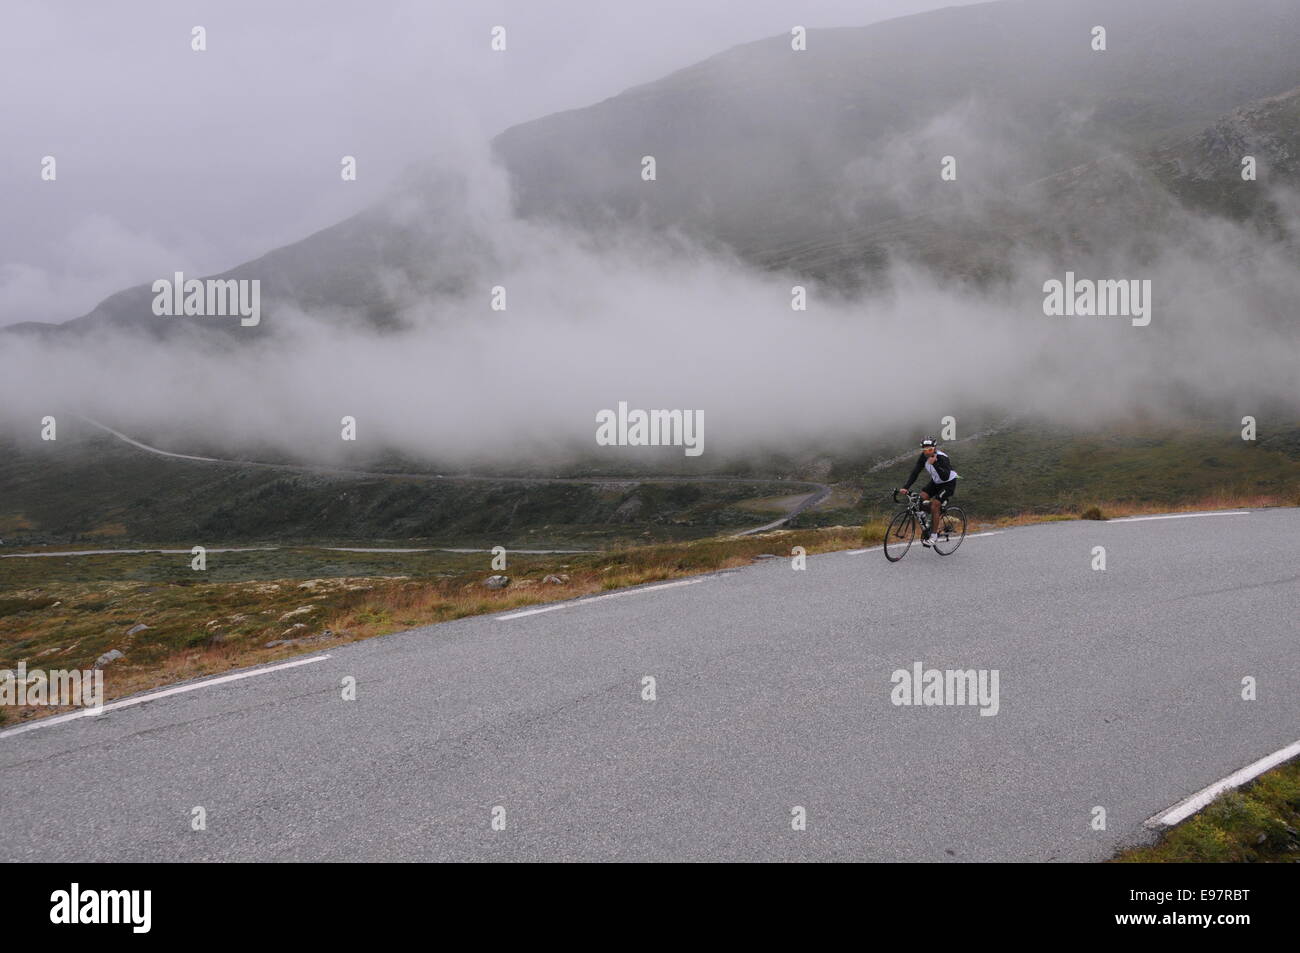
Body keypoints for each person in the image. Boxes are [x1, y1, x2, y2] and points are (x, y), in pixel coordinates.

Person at [898, 438, 959, 547]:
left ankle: (934, 536)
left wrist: (934, 463)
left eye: (930, 450)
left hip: (948, 483)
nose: (927, 452)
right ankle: (928, 519)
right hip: (936, 482)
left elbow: (945, 477)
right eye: (925, 450)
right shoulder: (923, 457)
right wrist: (906, 487)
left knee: (935, 505)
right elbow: (915, 472)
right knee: (919, 500)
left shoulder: (942, 458)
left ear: (934, 448)